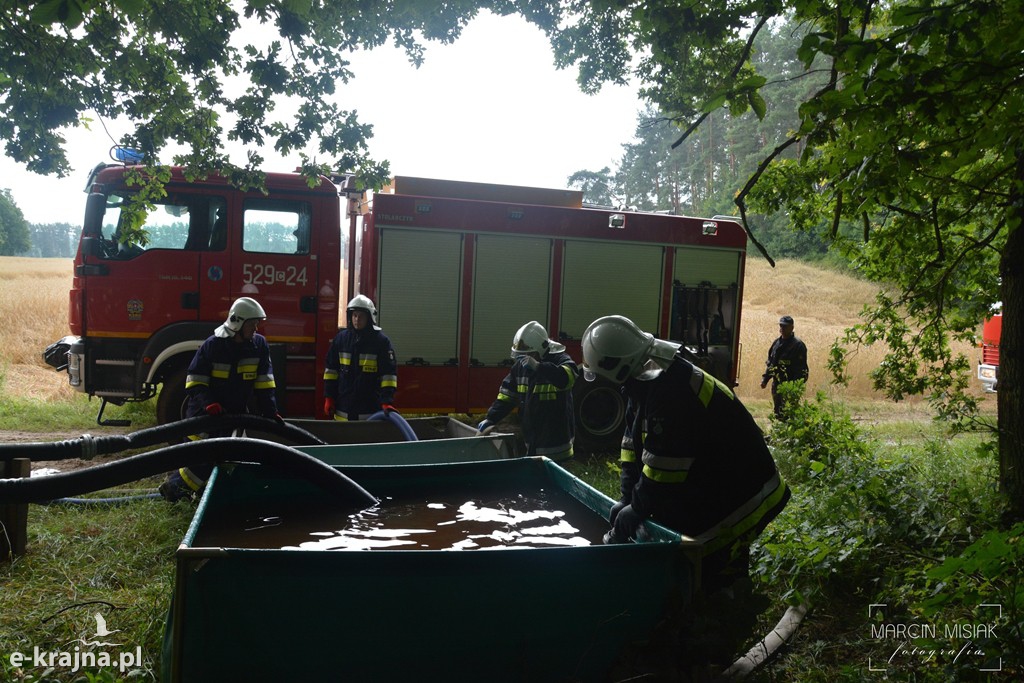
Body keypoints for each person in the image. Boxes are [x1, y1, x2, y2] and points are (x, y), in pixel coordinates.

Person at [581, 315, 790, 590]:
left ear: (619, 365)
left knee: (714, 565)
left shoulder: (672, 389)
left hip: (746, 491)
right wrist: (626, 498)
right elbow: (632, 448)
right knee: (692, 553)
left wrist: (638, 507)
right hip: (710, 476)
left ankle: (729, 612)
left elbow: (666, 468)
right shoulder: (641, 383)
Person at [160, 297, 281, 501]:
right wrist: (209, 403)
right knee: (200, 463)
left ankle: (207, 496)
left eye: (256, 324)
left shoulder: (259, 346)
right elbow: (194, 382)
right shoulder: (213, 345)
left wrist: (270, 412)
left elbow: (264, 384)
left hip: (234, 414)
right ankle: (173, 490)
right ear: (238, 323)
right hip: (205, 416)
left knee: (230, 458)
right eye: (252, 324)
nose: (256, 328)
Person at [476, 321, 577, 461]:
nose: (524, 358)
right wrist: (491, 418)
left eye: (529, 354)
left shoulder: (560, 359)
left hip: (557, 444)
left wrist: (539, 367)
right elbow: (507, 396)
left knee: (554, 479)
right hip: (532, 441)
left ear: (540, 349)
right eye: (521, 354)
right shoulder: (520, 367)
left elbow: (567, 378)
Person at [323, 295, 398, 420]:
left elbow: (388, 376)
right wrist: (329, 397)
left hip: (369, 411)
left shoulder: (381, 342)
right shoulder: (340, 339)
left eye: (361, 316)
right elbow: (331, 371)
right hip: (343, 410)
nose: (357, 319)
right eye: (354, 315)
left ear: (370, 317)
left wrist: (386, 401)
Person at [760, 315, 809, 419]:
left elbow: (802, 370)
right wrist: (765, 379)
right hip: (777, 384)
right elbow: (771, 363)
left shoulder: (798, 345)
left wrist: (794, 388)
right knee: (778, 413)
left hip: (790, 386)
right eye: (781, 326)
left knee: (790, 413)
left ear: (792, 328)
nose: (782, 328)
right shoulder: (776, 343)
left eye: (785, 326)